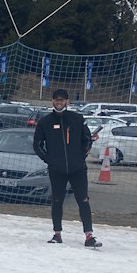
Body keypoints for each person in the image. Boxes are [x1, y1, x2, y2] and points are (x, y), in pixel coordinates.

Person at [33, 88, 100, 247]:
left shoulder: (77, 119)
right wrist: (49, 160)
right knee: (57, 201)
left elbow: (87, 140)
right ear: (52, 101)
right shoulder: (45, 122)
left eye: (62, 100)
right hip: (57, 170)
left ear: (67, 102)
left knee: (83, 200)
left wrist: (81, 156)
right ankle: (57, 234)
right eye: (56, 99)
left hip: (78, 169)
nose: (59, 102)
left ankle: (89, 236)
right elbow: (37, 145)